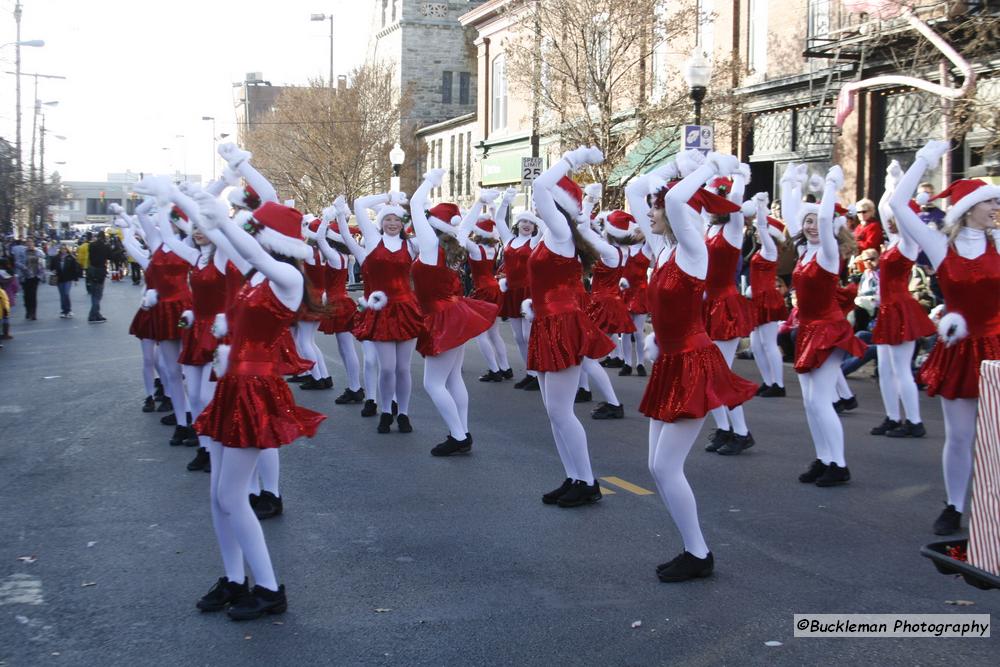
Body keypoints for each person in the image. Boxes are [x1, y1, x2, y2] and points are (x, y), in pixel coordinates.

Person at [189, 189, 325, 621]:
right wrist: (191, 203)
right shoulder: (254, 275)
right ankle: (234, 579)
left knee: (232, 493)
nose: (251, 234)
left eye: (258, 229)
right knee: (218, 493)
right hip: (231, 383)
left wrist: (227, 221)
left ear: (273, 239)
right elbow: (229, 242)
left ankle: (268, 587)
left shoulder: (286, 276)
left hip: (255, 389)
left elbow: (242, 243)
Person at [627, 149, 757, 581]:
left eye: (655, 207)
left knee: (666, 466)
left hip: (692, 362)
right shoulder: (662, 252)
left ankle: (699, 553)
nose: (649, 211)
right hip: (669, 361)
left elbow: (679, 201)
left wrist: (707, 168)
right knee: (655, 466)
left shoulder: (692, 250)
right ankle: (692, 548)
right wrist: (669, 169)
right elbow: (634, 188)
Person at [889, 139, 1000, 536]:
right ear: (969, 209)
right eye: (990, 203)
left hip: (998, 348)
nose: (995, 209)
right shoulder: (941, 245)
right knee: (960, 436)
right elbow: (900, 205)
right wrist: (923, 160)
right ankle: (954, 506)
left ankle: (993, 511)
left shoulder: (998, 242)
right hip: (962, 350)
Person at [528, 146, 616, 508]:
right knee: (553, 411)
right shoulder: (558, 233)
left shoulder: (561, 231)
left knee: (562, 411)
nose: (538, 203)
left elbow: (538, 186)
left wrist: (573, 158)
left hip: (562, 326)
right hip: (548, 322)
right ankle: (574, 475)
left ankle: (588, 480)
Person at [781, 164, 867, 487]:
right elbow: (791, 216)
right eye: (808, 221)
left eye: (817, 221)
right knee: (808, 401)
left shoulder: (829, 253)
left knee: (820, 400)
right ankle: (824, 458)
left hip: (830, 329)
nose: (813, 225)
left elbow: (828, 218)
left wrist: (831, 185)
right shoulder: (803, 251)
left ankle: (839, 464)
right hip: (807, 330)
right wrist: (791, 182)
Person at [409, 171, 499, 455]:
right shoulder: (455, 241)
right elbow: (467, 224)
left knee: (433, 383)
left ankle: (459, 436)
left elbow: (414, 206)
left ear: (434, 223)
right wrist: (478, 203)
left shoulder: (431, 244)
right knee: (452, 379)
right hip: (455, 312)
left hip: (442, 317)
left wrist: (428, 182)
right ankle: (461, 430)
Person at [868, 161, 935, 438]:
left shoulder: (908, 243)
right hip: (886, 309)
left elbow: (896, 207)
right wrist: (889, 181)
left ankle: (915, 421)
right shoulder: (894, 241)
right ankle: (893, 416)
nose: (890, 220)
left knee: (900, 368)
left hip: (901, 309)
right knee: (884, 368)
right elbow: (887, 205)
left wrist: (898, 185)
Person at [351, 190, 424, 434]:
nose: (392, 223)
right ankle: (385, 411)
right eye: (387, 219)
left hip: (406, 310)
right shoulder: (372, 240)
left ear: (404, 223)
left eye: (397, 220)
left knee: (404, 368)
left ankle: (403, 413)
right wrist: (387, 196)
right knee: (387, 368)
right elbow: (359, 204)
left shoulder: (412, 244)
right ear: (380, 222)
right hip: (382, 311)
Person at [86, 231, 111, 322]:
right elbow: (110, 256)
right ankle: (93, 314)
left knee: (94, 293)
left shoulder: (91, 245)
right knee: (98, 294)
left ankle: (96, 313)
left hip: (92, 269)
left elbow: (90, 255)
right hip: (100, 270)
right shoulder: (105, 247)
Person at [50, 244, 81, 318]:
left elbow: (74, 269)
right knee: (62, 295)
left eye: (64, 249)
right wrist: (53, 270)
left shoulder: (70, 258)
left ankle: (69, 310)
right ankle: (64, 310)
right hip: (59, 278)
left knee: (66, 293)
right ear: (60, 250)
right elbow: (51, 267)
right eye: (62, 249)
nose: (63, 250)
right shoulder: (56, 258)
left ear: (67, 249)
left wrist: (76, 279)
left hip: (68, 278)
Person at [18, 238, 46, 320]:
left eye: (31, 242)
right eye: (28, 242)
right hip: (25, 276)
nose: (30, 244)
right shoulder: (22, 252)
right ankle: (28, 310)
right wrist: (23, 267)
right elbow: (17, 262)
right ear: (26, 244)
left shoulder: (38, 252)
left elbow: (42, 262)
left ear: (33, 243)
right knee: (26, 295)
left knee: (33, 295)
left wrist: (42, 274)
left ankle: (33, 313)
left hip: (35, 276)